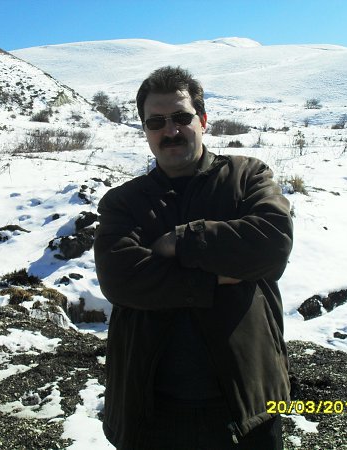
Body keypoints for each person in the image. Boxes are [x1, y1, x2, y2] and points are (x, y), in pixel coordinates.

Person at [94, 66, 293, 450]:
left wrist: (181, 241)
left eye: (181, 118)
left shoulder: (247, 176)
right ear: (145, 130)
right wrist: (216, 276)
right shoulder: (124, 201)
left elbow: (273, 244)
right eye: (156, 122)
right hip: (150, 412)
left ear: (202, 120)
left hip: (248, 405)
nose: (170, 131)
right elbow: (120, 278)